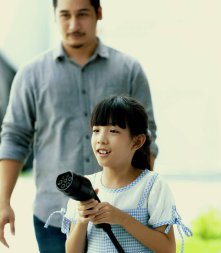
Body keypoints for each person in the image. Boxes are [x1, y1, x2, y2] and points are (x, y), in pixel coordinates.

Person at [0, 0, 158, 252]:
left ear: (98, 13)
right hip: (54, 215)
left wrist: (142, 200)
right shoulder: (30, 75)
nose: (73, 24)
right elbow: (14, 138)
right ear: (55, 16)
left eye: (82, 14)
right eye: (65, 15)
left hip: (117, 211)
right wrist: (3, 202)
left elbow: (146, 136)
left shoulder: (128, 70)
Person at [60, 95, 191, 253]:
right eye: (96, 130)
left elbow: (168, 249)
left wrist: (122, 219)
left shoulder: (152, 185)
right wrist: (82, 221)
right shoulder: (86, 185)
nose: (101, 139)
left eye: (113, 131)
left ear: (137, 142)